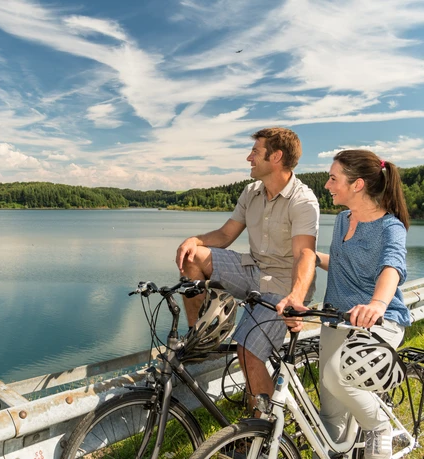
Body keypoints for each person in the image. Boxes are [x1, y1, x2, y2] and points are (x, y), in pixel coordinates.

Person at [278, 150, 410, 459]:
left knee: (336, 376)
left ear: (358, 185)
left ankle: (379, 427)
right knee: (331, 414)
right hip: (337, 320)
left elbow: (392, 267)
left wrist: (377, 304)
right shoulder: (341, 220)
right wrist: (310, 256)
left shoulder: (391, 228)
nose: (327, 185)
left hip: (377, 322)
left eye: (334, 178)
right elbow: (340, 263)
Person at [176, 127, 319, 410]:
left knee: (247, 351)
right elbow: (226, 236)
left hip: (282, 286)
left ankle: (262, 432)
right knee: (192, 257)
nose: (248, 158)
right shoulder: (252, 191)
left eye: (255, 152)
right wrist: (194, 240)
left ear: (276, 157)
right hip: (251, 270)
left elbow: (305, 254)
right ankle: (200, 340)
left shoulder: (303, 200)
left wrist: (297, 297)